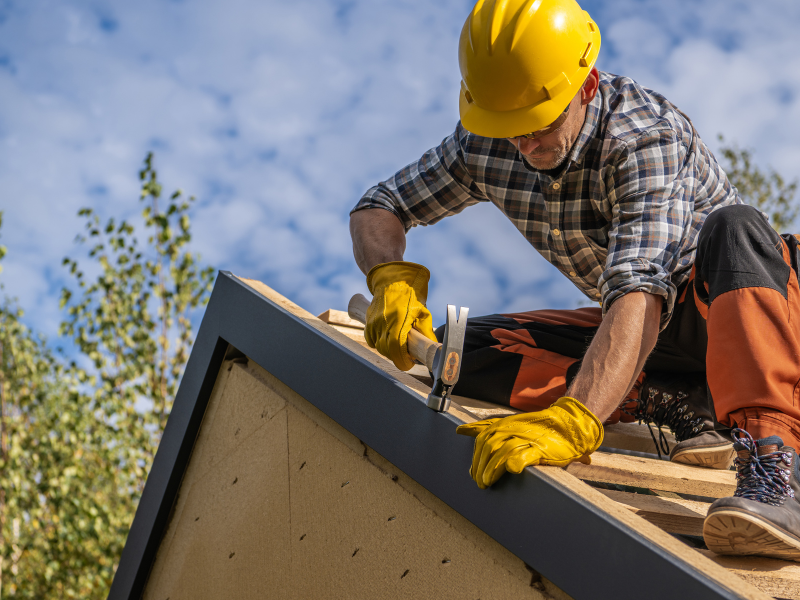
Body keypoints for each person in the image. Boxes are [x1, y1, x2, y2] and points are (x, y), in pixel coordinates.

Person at [349, 0, 800, 561]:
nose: (523, 145)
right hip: (660, 343)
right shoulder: (487, 141)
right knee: (463, 350)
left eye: (538, 125)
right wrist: (389, 280)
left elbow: (640, 290)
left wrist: (578, 419)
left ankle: (776, 466)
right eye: (507, 128)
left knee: (737, 228)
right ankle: (682, 404)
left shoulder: (644, 138)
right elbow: (380, 205)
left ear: (585, 87)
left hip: (745, 317)